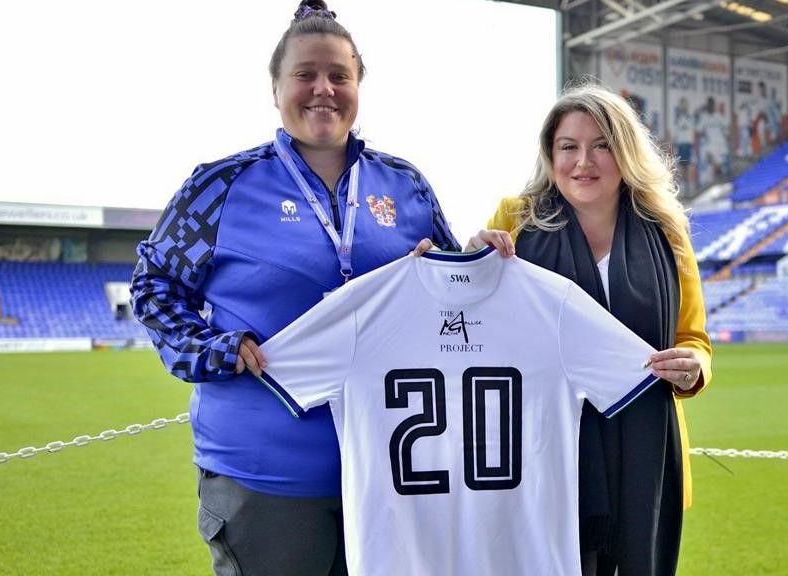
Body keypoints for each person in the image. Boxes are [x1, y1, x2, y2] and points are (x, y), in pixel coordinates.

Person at [130, 2, 461, 574]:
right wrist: (213, 348)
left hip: (395, 474)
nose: (323, 90)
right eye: (305, 74)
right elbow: (154, 286)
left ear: (359, 85)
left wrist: (480, 258)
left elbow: (455, 296)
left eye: (339, 75)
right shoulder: (220, 186)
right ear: (276, 86)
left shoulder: (405, 186)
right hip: (266, 476)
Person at [474, 83, 713, 576]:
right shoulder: (514, 220)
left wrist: (694, 369)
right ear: (550, 154)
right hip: (545, 451)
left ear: (625, 152)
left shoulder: (667, 233)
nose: (584, 161)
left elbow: (693, 339)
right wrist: (469, 260)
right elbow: (467, 326)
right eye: (569, 147)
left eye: (602, 144)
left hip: (645, 454)